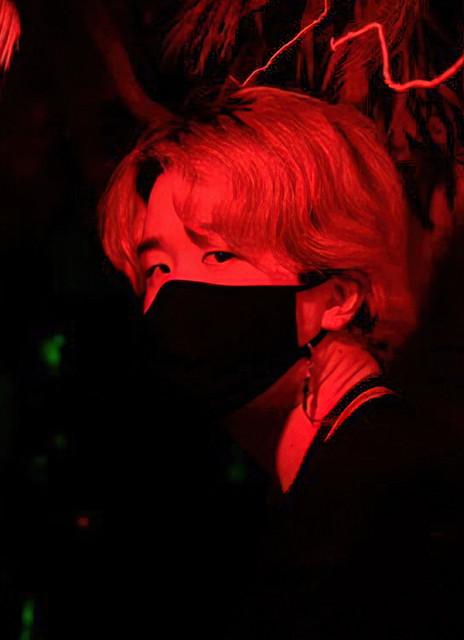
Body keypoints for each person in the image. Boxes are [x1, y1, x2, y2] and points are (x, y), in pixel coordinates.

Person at [97, 86, 464, 638]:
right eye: (158, 269)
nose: (176, 295)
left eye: (219, 254)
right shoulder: (297, 493)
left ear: (337, 298)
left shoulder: (389, 503)